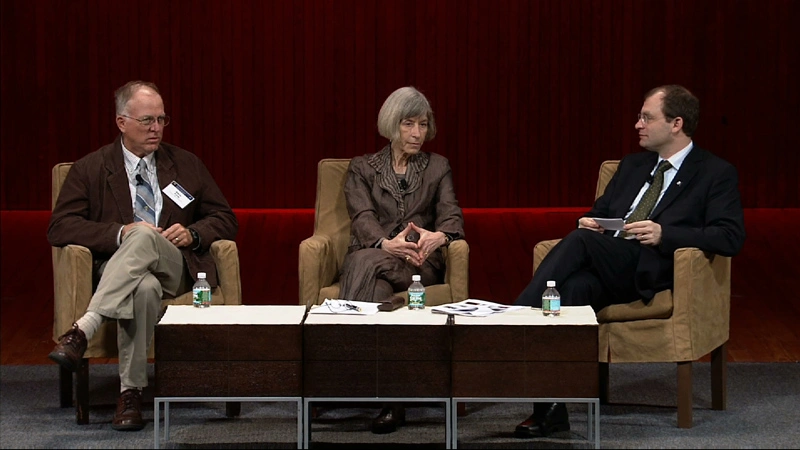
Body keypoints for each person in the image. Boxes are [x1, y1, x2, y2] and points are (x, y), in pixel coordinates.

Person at [512, 84, 746, 438]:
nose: (637, 124)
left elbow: (730, 236)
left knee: (579, 244)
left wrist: (665, 234)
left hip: (652, 268)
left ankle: (511, 323)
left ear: (676, 124)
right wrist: (589, 220)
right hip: (611, 265)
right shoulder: (633, 165)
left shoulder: (715, 172)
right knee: (568, 292)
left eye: (646, 117)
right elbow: (601, 213)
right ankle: (550, 410)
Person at [47, 80, 238, 431]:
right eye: (147, 120)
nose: (156, 129)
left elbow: (226, 219)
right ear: (122, 122)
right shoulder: (90, 169)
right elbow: (60, 228)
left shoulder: (185, 163)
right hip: (123, 273)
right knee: (143, 285)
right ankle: (130, 394)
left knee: (146, 240)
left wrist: (194, 233)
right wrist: (120, 233)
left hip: (176, 264)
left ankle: (83, 329)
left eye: (162, 120)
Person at [338, 86, 464, 433]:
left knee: (360, 263)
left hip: (420, 264)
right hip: (379, 256)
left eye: (423, 125)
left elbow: (452, 217)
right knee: (375, 283)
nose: (417, 134)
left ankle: (342, 369)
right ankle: (392, 400)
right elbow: (362, 216)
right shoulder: (362, 168)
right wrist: (385, 243)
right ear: (392, 125)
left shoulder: (438, 167)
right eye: (409, 124)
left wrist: (439, 236)